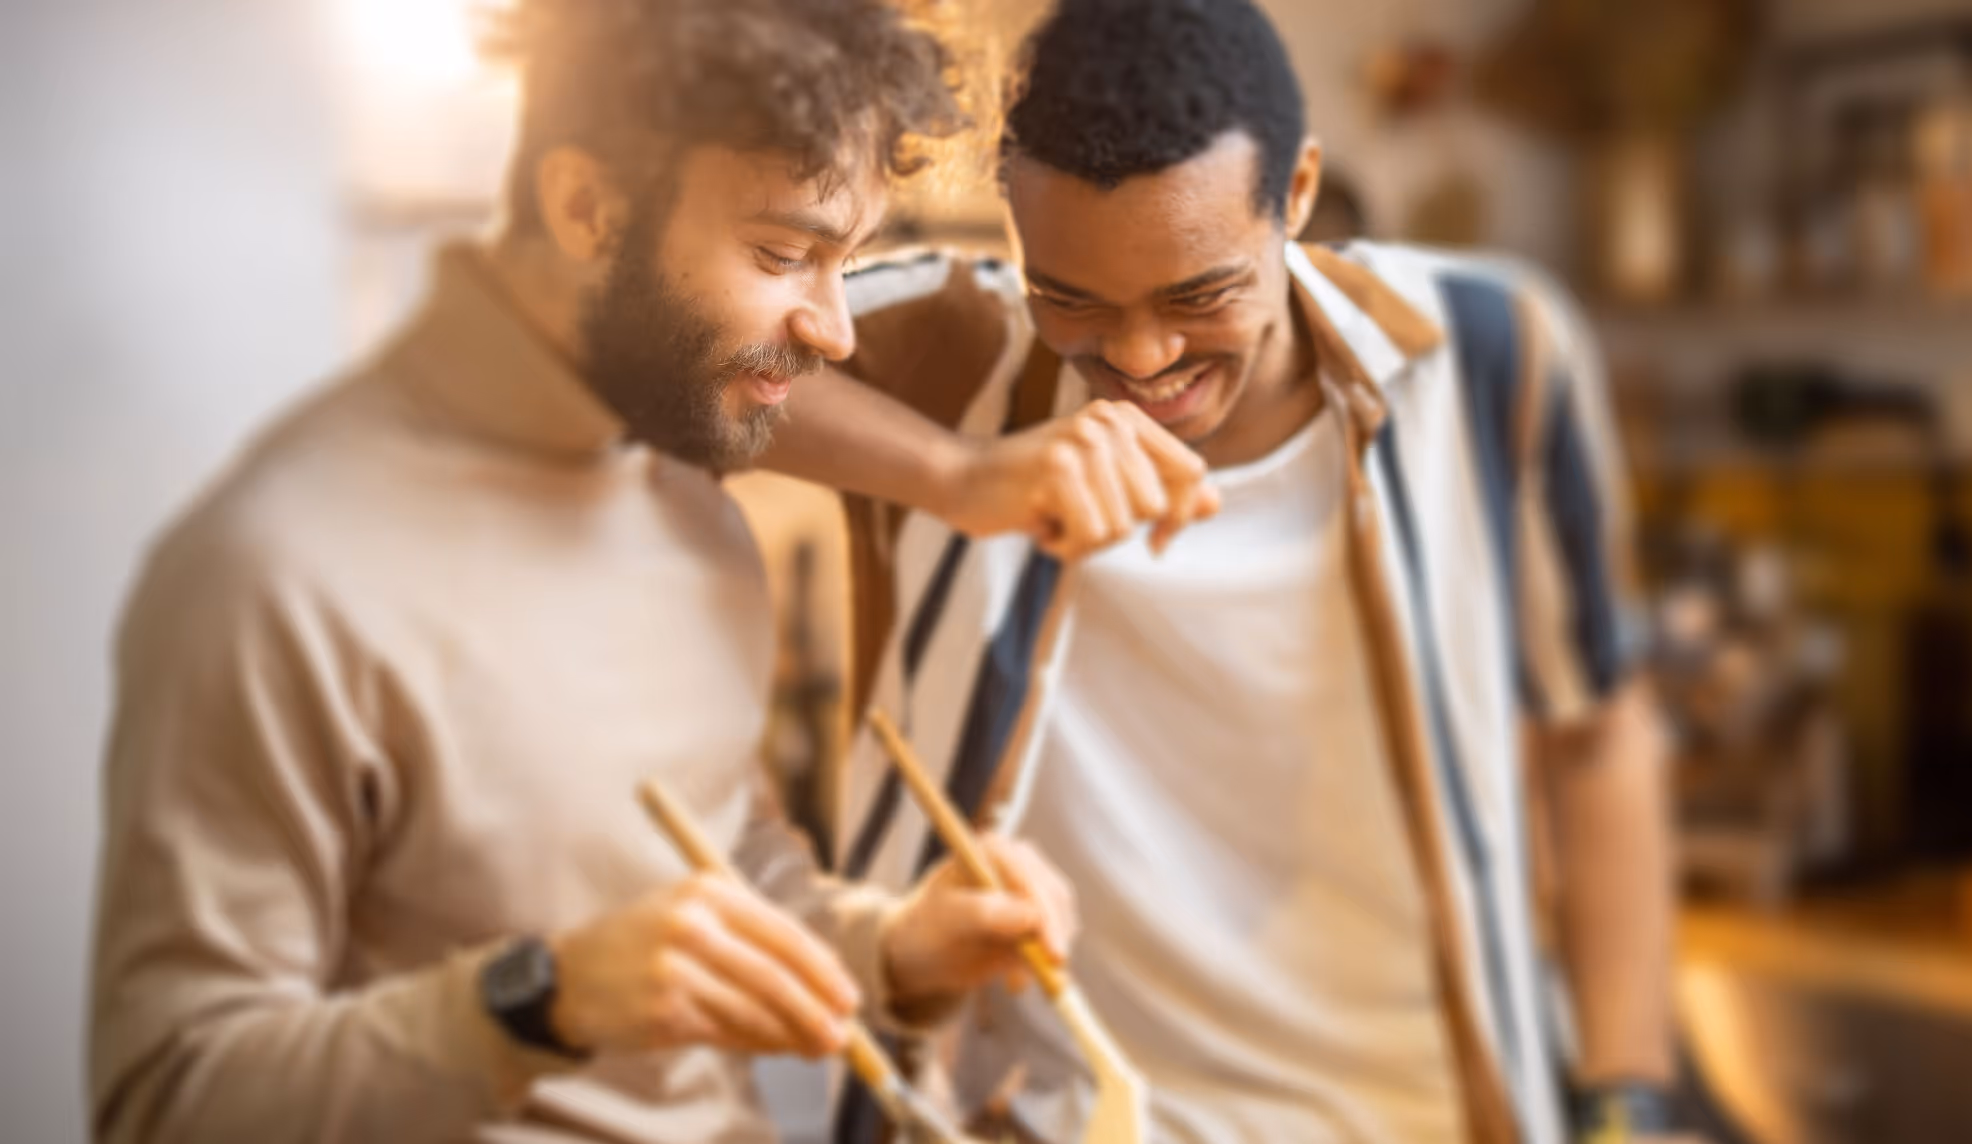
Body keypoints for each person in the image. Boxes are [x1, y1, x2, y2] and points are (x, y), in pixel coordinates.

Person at [87, 2, 1215, 1141]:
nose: (831, 326)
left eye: (846, 261)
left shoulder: (688, 503)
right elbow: (169, 1096)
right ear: (586, 207)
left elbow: (727, 871)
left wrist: (895, 944)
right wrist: (539, 1004)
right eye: (784, 254)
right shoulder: (276, 568)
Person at [767, 1, 1683, 1141]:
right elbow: (669, 354)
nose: (1142, 359)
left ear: (1295, 195)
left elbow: (1598, 733)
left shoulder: (1494, 359)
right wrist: (957, 473)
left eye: (1199, 296)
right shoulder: (955, 358)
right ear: (1014, 232)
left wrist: (1625, 1092)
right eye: (1074, 300)